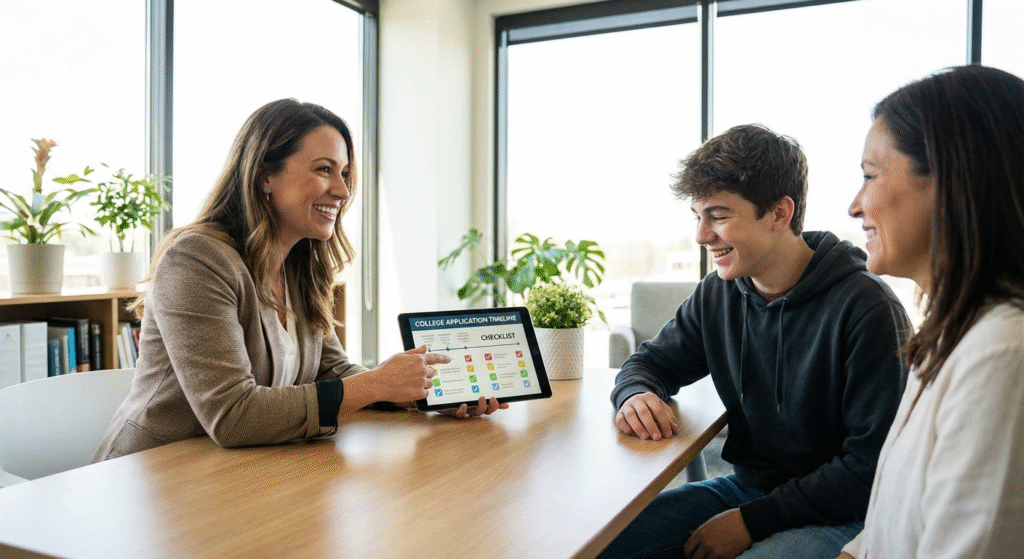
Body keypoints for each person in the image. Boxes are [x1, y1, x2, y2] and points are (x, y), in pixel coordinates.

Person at [94, 99, 504, 461]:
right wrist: (378, 383)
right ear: (264, 176)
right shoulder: (196, 261)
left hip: (240, 471)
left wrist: (418, 393)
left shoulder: (301, 264)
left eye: (344, 173)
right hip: (152, 475)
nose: (342, 191)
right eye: (325, 170)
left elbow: (331, 368)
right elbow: (234, 415)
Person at [598, 124, 911, 559]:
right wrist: (635, 393)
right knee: (600, 545)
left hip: (845, 510)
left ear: (780, 214)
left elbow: (870, 469)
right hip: (746, 489)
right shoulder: (718, 293)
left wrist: (751, 522)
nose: (702, 235)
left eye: (719, 216)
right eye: (698, 216)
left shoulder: (867, 308)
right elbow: (650, 363)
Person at [838, 65, 1024, 559]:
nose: (855, 206)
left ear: (952, 179)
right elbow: (903, 509)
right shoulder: (952, 334)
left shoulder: (1002, 354)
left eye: (869, 176)